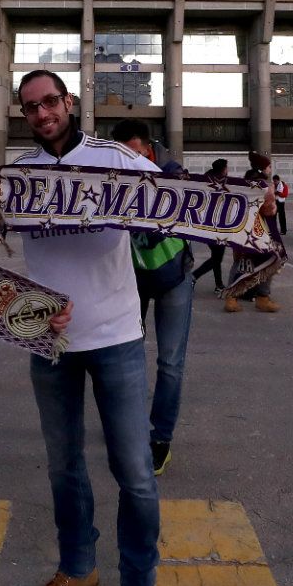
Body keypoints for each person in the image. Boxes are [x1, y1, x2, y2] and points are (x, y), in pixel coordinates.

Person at [0, 70, 203, 586]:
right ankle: (79, 570)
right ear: (24, 115)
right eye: (31, 107)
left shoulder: (115, 158)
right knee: (65, 467)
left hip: (117, 338)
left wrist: (243, 203)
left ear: (69, 102)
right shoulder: (16, 177)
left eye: (50, 102)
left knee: (137, 475)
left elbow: (178, 200)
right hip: (50, 344)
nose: (42, 113)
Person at [112, 119, 194, 475]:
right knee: (125, 358)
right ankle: (130, 428)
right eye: (120, 156)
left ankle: (160, 439)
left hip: (174, 277)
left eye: (133, 155)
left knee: (170, 363)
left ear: (147, 149)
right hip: (132, 278)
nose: (127, 164)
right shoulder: (110, 177)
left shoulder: (172, 174)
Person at [230, 161, 283, 310]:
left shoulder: (248, 194)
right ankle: (239, 297)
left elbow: (269, 212)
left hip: (256, 235)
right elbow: (270, 211)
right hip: (250, 235)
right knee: (246, 264)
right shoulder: (249, 195)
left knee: (260, 264)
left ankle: (258, 297)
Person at [191, 159, 230, 292]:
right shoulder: (222, 183)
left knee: (216, 256)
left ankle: (219, 285)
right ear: (223, 169)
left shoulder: (205, 180)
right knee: (217, 257)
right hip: (217, 225)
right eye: (226, 168)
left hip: (206, 224)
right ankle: (194, 276)